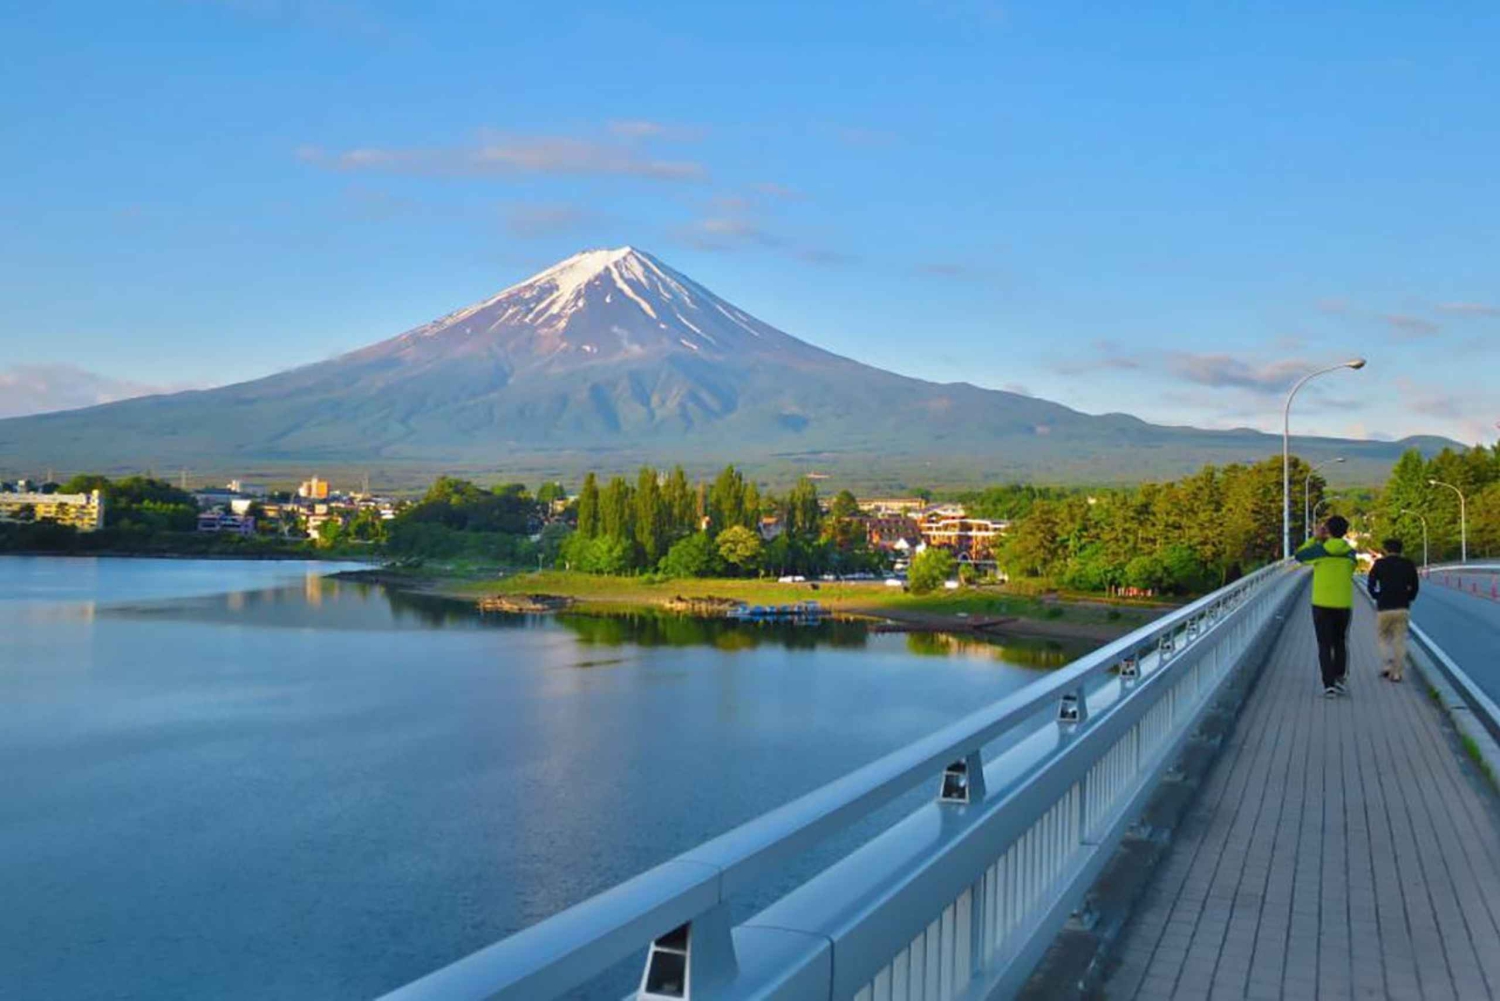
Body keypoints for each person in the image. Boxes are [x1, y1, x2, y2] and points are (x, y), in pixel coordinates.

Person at [1295, 515, 1358, 698]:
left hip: (1321, 603)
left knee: (1324, 644)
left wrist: (1315, 538)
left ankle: (1328, 684)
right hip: (1343, 604)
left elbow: (1299, 556)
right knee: (1340, 641)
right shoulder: (1350, 554)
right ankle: (1339, 678)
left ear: (1327, 530)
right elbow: (1352, 568)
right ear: (1345, 532)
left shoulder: (1319, 550)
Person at [1367, 538, 1420, 681]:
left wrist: (1376, 595)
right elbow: (1415, 585)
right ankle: (1397, 673)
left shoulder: (1379, 564)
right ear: (1401, 550)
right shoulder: (1408, 564)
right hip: (1402, 606)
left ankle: (1387, 665)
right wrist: (1409, 597)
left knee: (1383, 637)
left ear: (1385, 550)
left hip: (1384, 606)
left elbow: (1371, 584)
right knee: (1399, 640)